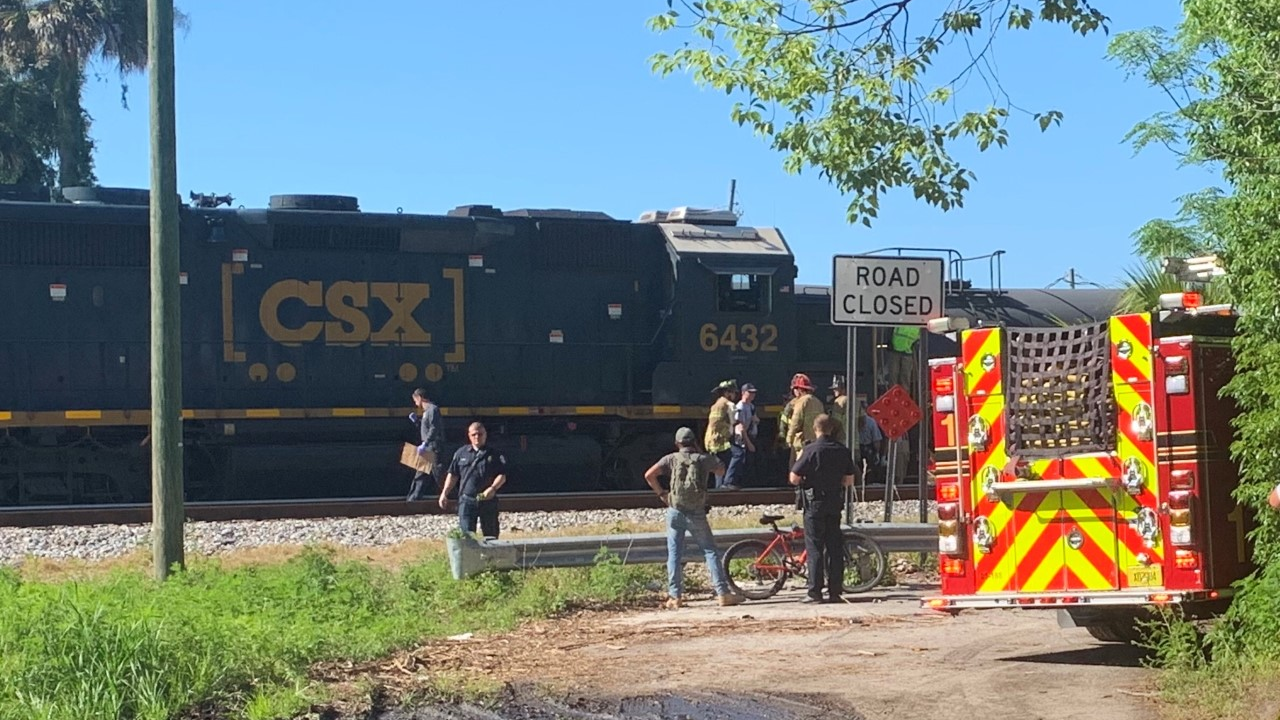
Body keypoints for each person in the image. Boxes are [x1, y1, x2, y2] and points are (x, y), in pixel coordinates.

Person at [644, 427, 746, 609]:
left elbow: (649, 475)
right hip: (696, 512)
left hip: (675, 511)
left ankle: (675, 597)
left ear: (677, 443)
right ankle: (722, 593)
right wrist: (702, 455)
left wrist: (662, 494)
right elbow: (721, 471)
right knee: (709, 551)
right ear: (695, 443)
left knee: (674, 554)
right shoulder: (703, 460)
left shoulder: (670, 459)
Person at [789, 414, 855, 604]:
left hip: (814, 503)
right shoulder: (842, 450)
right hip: (834, 503)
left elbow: (794, 477)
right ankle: (835, 592)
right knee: (834, 547)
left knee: (815, 547)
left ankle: (815, 592)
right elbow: (849, 481)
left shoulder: (810, 450)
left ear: (815, 428)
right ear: (831, 429)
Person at [438, 422, 508, 539]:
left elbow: (502, 475)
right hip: (467, 500)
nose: (477, 437)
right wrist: (444, 493)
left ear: (485, 435)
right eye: (474, 434)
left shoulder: (494, 454)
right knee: (467, 537)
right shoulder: (461, 453)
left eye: (480, 434)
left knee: (491, 535)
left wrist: (493, 488)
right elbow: (453, 475)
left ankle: (491, 557)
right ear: (469, 436)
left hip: (487, 500)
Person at [406, 387, 443, 501]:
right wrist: (417, 421)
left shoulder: (433, 410)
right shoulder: (427, 412)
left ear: (420, 397)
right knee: (421, 474)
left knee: (439, 475)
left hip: (433, 447)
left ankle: (452, 498)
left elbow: (434, 428)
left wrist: (425, 443)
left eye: (415, 400)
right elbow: (427, 427)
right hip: (428, 448)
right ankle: (412, 500)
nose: (415, 403)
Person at [723, 382, 759, 489]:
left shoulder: (751, 406)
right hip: (741, 437)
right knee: (740, 457)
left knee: (746, 460)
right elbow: (740, 426)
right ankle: (730, 481)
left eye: (754, 393)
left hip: (749, 435)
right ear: (743, 393)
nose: (753, 395)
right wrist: (748, 443)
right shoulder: (740, 407)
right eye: (750, 392)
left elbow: (754, 419)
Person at [704, 379, 737, 483]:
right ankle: (726, 484)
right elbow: (717, 423)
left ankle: (720, 490)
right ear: (727, 393)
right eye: (733, 392)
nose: (735, 395)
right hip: (719, 441)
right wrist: (729, 433)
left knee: (720, 467)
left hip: (714, 441)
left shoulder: (718, 404)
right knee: (737, 455)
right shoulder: (726, 404)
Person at [828, 375, 849, 442]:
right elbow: (862, 422)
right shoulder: (855, 401)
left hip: (841, 441)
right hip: (855, 443)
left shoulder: (839, 401)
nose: (834, 391)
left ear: (843, 389)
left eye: (836, 389)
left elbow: (836, 422)